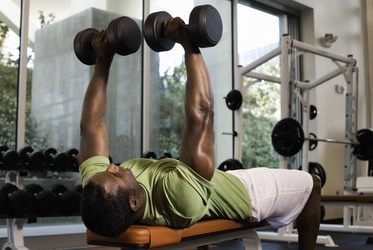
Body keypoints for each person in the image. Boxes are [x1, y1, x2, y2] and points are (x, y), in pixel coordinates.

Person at [78, 17, 321, 250]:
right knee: (313, 184)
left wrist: (103, 60)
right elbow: (202, 115)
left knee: (199, 183)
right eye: (115, 175)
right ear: (133, 202)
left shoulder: (101, 189)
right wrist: (189, 44)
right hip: (248, 195)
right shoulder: (176, 197)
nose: (111, 167)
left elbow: (91, 126)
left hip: (206, 187)